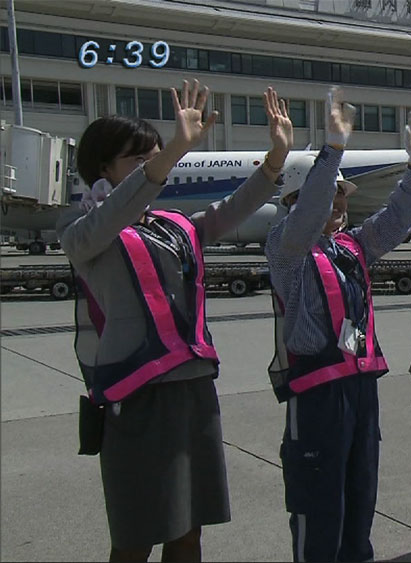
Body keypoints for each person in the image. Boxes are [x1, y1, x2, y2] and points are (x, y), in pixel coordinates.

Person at [58, 80, 291, 562]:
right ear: (104, 169)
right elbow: (110, 218)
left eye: (156, 156)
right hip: (138, 396)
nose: (152, 167)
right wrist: (170, 156)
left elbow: (232, 211)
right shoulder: (83, 232)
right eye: (136, 160)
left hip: (193, 389)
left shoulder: (174, 226)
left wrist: (275, 160)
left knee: (188, 530)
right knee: (136, 532)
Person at [265, 88, 411, 562]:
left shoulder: (353, 245)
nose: (340, 202)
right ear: (298, 200)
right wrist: (334, 148)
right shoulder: (288, 246)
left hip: (359, 391)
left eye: (342, 194)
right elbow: (307, 219)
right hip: (317, 394)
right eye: (333, 193)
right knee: (319, 506)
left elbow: (397, 219)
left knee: (360, 500)